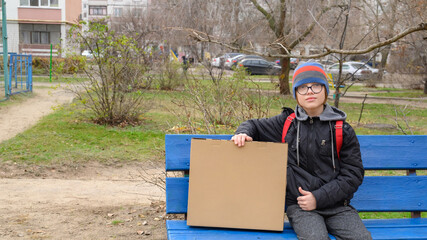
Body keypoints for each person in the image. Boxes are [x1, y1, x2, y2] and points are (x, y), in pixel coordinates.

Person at [231, 62, 372, 240]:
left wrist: (318, 198)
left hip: (338, 205)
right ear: (296, 94)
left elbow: (353, 174)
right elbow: (253, 125)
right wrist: (242, 133)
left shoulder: (341, 129)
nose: (310, 91)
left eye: (316, 86)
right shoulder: (287, 124)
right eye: (303, 88)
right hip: (301, 205)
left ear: (326, 91)